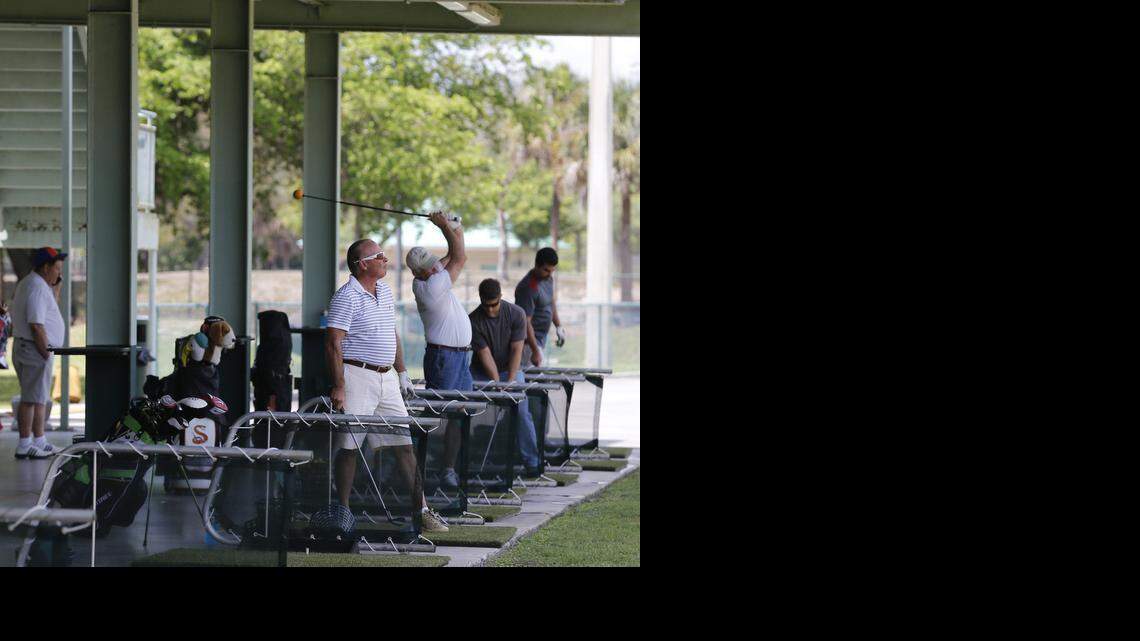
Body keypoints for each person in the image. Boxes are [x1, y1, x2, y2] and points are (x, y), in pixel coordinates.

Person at [325, 238, 448, 532]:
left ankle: (422, 511)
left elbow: (390, 334)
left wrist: (402, 371)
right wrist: (339, 385)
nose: (386, 260)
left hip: (387, 378)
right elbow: (333, 344)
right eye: (379, 256)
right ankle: (342, 513)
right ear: (363, 264)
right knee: (350, 446)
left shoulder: (384, 290)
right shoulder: (346, 296)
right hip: (357, 376)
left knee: (405, 445)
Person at [406, 211, 470, 489]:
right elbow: (459, 258)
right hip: (444, 358)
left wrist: (457, 227)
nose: (436, 267)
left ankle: (446, 469)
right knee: (435, 415)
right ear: (418, 273)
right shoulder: (429, 286)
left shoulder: (431, 274)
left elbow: (453, 255)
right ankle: (415, 468)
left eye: (435, 263)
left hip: (459, 356)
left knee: (458, 414)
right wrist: (445, 226)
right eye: (431, 267)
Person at [469, 278, 544, 477]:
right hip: (481, 373)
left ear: (501, 297)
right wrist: (498, 384)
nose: (491, 310)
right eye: (486, 305)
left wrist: (509, 382)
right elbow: (485, 355)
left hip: (510, 369)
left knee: (521, 412)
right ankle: (470, 461)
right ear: (481, 300)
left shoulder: (516, 313)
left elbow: (517, 350)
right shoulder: (473, 320)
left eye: (494, 305)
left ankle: (532, 462)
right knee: (469, 411)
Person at [10, 247, 67, 459]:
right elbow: (36, 324)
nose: (59, 274)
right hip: (34, 348)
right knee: (31, 398)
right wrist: (45, 351)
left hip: (34, 348)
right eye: (57, 268)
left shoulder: (37, 284)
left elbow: (48, 310)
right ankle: (25, 444)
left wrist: (56, 288)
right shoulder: (36, 287)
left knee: (39, 397)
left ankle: (39, 440)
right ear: (46, 267)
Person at [514, 247, 567, 368]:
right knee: (530, 383)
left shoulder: (548, 279)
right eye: (546, 270)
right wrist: (535, 350)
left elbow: (550, 301)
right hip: (527, 345)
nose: (549, 274)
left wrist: (558, 326)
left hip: (540, 341)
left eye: (552, 271)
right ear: (537, 265)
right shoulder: (527, 288)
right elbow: (525, 322)